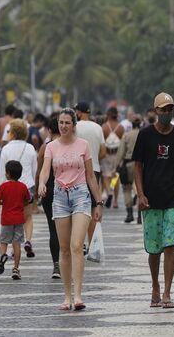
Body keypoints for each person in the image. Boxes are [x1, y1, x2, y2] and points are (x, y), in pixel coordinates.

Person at [38, 108, 103, 311]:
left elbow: (91, 176)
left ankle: (78, 295)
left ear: (74, 125)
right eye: (61, 123)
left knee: (76, 245)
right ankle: (67, 296)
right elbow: (45, 169)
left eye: (67, 122)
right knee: (64, 248)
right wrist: (41, 184)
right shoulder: (51, 147)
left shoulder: (83, 145)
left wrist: (98, 202)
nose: (63, 126)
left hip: (81, 196)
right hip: (59, 197)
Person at [133, 92, 174, 310]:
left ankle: (167, 291)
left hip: (173, 199)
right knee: (154, 248)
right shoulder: (145, 135)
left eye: (171, 109)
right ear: (155, 111)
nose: (167, 113)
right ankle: (155, 286)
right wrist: (140, 194)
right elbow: (137, 166)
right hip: (150, 199)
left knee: (169, 245)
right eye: (163, 109)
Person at [0, 118, 38, 258]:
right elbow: (35, 170)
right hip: (27, 186)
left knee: (13, 218)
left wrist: (1, 190)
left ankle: (14, 249)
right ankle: (28, 240)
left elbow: (2, 171)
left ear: (12, 132)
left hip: (10, 188)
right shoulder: (30, 148)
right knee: (27, 217)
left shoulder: (6, 149)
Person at [74, 102, 106, 251]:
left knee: (79, 207)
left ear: (79, 112)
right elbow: (103, 152)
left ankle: (80, 243)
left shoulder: (75, 127)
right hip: (95, 170)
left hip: (77, 171)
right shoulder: (98, 127)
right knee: (93, 207)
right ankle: (93, 243)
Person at [36, 112, 62, 279]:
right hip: (66, 190)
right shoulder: (68, 145)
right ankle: (67, 260)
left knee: (53, 228)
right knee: (68, 229)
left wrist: (37, 190)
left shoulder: (45, 147)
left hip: (49, 191)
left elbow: (39, 171)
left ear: (49, 130)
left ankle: (56, 265)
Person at [0, 160, 31, 280]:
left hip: (6, 220)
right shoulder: (23, 187)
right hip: (19, 219)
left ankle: (3, 255)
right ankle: (16, 268)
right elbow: (27, 200)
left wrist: (2, 202)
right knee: (17, 244)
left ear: (8, 174)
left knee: (4, 241)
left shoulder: (3, 186)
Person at [117, 116, 141, 223]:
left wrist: (116, 166)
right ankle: (140, 216)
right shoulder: (144, 134)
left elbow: (121, 152)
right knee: (141, 190)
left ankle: (129, 214)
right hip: (141, 164)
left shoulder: (126, 135)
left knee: (127, 189)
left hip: (128, 164)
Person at [101, 107, 124, 209]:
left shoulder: (104, 127)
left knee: (106, 176)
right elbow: (123, 143)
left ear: (108, 115)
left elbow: (102, 143)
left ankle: (109, 192)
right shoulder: (121, 127)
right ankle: (115, 201)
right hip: (117, 155)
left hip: (106, 154)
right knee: (115, 177)